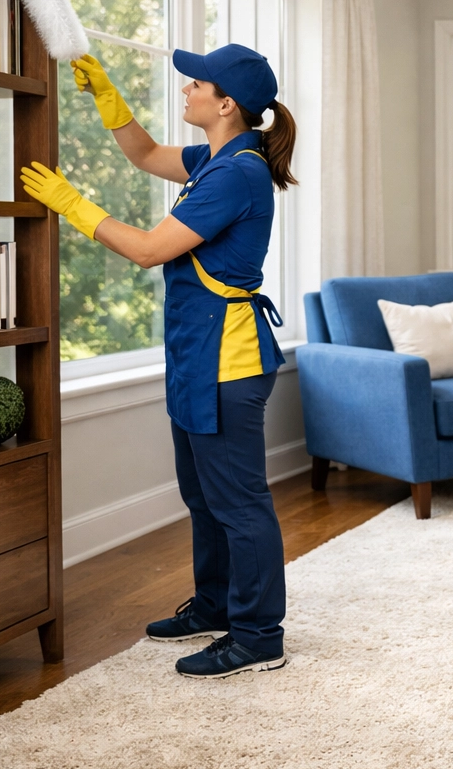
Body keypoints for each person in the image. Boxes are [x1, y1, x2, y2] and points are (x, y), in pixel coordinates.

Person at [21, 43, 296, 679]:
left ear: (225, 103)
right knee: (203, 494)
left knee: (239, 501)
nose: (185, 91)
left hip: (226, 359)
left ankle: (258, 637)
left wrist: (74, 207)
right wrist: (108, 100)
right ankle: (215, 605)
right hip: (197, 352)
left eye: (194, 84)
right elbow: (145, 155)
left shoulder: (237, 173)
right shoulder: (215, 158)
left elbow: (148, 250)